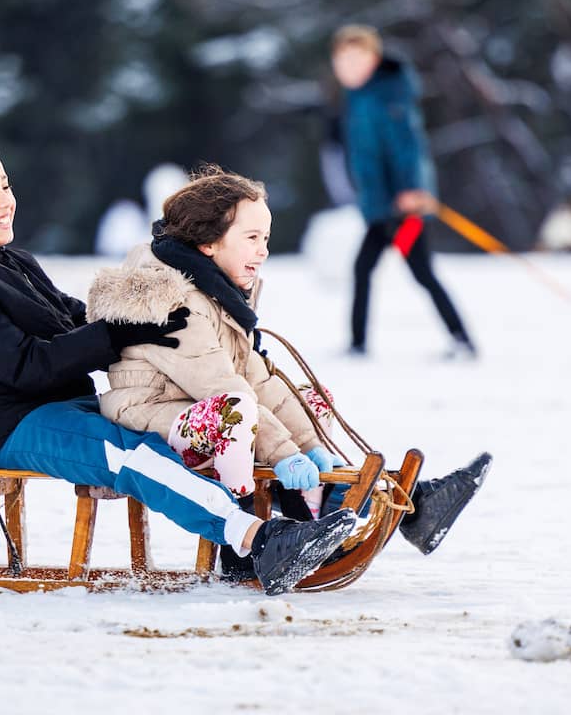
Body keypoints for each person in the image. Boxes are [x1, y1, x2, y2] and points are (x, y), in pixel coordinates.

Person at [0, 127, 356, 595]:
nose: (5, 199)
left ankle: (316, 508)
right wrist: (118, 333)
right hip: (14, 424)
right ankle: (255, 539)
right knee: (134, 456)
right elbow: (27, 365)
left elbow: (76, 319)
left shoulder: (10, 261)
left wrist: (159, 320)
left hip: (75, 407)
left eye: (5, 185)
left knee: (196, 425)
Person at [85, 165, 493, 577]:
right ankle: (251, 547)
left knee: (309, 400)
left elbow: (257, 378)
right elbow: (223, 387)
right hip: (149, 413)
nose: (263, 250)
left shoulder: (219, 288)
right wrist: (286, 454)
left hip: (199, 405)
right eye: (251, 238)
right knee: (236, 413)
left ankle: (398, 507)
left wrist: (311, 445)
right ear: (208, 243)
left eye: (265, 237)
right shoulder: (174, 300)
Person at [331, 24, 477, 360]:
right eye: (342, 60)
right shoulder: (358, 96)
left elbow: (409, 147)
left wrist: (414, 190)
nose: (348, 67)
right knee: (364, 268)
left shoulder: (389, 93)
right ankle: (357, 343)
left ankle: (462, 340)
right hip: (380, 208)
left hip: (402, 209)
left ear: (374, 59)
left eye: (357, 58)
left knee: (419, 271)